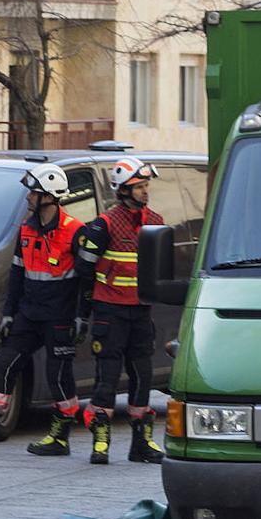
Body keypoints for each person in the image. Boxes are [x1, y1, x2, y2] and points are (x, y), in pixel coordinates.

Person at [0, 165, 88, 452]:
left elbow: (86, 279)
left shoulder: (75, 232)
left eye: (33, 192)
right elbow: (18, 276)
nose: (28, 198)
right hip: (29, 314)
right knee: (4, 363)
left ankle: (59, 436)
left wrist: (82, 316)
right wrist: (9, 313)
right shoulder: (26, 230)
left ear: (49, 196)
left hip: (60, 317)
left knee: (58, 376)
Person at [73, 157, 165, 465]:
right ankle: (101, 443)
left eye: (146, 185)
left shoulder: (155, 219)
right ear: (123, 190)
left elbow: (159, 268)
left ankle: (141, 444)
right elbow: (84, 267)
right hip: (109, 312)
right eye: (139, 186)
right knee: (107, 377)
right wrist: (85, 308)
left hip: (140, 312)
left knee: (143, 376)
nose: (145, 191)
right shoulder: (104, 224)